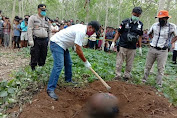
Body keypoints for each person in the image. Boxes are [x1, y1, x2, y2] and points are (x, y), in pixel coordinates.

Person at [47, 21, 100, 100]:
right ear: (90, 27)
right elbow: (78, 49)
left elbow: (76, 47)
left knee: (68, 63)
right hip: (57, 43)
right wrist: (85, 62)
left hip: (63, 45)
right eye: (93, 31)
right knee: (59, 65)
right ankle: (50, 89)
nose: (93, 34)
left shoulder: (82, 27)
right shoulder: (81, 31)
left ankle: (68, 80)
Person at [142, 10, 177, 87]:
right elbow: (149, 33)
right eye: (159, 18)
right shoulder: (155, 25)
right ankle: (143, 81)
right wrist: (152, 39)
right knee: (148, 66)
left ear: (166, 18)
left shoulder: (172, 27)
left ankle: (159, 84)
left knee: (161, 68)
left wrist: (171, 42)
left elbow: (176, 35)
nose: (160, 20)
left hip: (163, 50)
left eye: (162, 18)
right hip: (152, 48)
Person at [110, 7, 143, 81]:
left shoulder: (140, 25)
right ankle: (117, 76)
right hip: (123, 45)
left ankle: (126, 76)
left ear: (140, 15)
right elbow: (118, 32)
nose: (136, 17)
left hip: (132, 47)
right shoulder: (125, 22)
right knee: (119, 62)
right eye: (135, 15)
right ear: (132, 13)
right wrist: (113, 42)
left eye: (138, 16)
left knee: (129, 63)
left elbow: (140, 36)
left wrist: (140, 47)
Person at [28, 4, 51, 71]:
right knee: (35, 54)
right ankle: (33, 69)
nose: (43, 11)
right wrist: (30, 40)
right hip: (36, 39)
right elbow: (29, 29)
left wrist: (50, 40)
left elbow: (49, 30)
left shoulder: (47, 19)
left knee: (43, 54)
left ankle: (41, 68)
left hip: (45, 40)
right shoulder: (33, 18)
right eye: (42, 10)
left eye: (44, 10)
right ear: (38, 10)